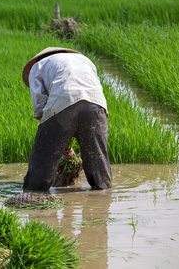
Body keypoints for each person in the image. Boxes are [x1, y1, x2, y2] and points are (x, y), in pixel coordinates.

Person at [22, 47, 112, 192]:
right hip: (96, 106)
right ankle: (101, 205)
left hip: (63, 101)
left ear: (35, 60)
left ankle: (34, 194)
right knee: (99, 166)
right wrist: (89, 153)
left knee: (42, 162)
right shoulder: (85, 61)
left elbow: (40, 107)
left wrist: (61, 147)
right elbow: (92, 91)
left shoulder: (37, 66)